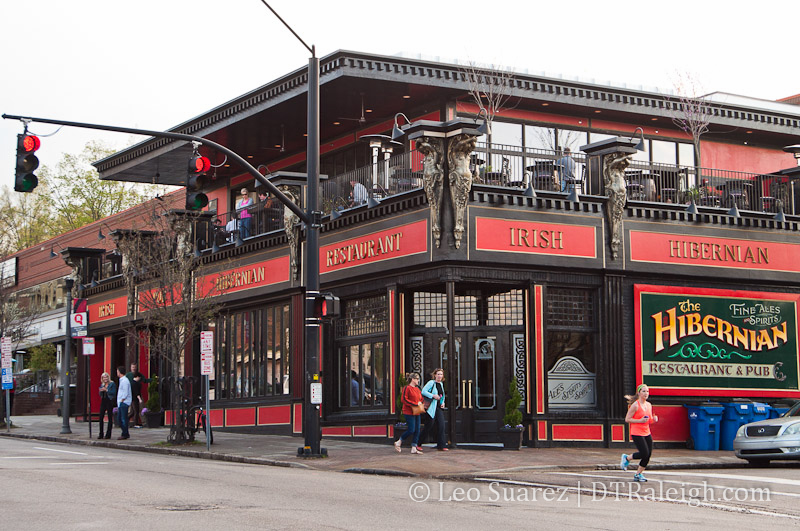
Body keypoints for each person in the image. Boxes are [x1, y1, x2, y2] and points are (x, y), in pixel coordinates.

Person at [620, 383, 659, 482]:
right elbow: (627, 419)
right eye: (644, 391)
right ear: (639, 393)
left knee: (648, 454)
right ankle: (627, 458)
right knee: (644, 453)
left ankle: (638, 474)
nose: (646, 393)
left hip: (647, 432)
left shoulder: (649, 405)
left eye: (647, 391)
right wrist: (639, 421)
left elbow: (649, 420)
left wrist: (654, 419)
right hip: (637, 432)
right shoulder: (635, 405)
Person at [419, 368, 448, 451]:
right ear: (435, 375)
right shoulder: (431, 383)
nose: (439, 376)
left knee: (441, 425)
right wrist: (433, 396)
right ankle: (418, 443)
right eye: (438, 374)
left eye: (441, 374)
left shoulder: (441, 384)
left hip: (438, 408)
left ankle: (441, 445)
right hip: (431, 408)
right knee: (428, 426)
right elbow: (423, 391)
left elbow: (442, 395)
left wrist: (443, 402)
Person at [395, 372, 425, 454]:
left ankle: (414, 447)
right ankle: (399, 441)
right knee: (411, 429)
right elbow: (404, 399)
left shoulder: (417, 389)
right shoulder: (407, 388)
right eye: (417, 379)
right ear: (413, 379)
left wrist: (420, 402)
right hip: (408, 411)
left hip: (417, 411)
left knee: (417, 430)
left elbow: (421, 398)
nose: (418, 380)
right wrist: (415, 403)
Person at [98, 372, 116, 439]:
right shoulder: (102, 385)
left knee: (109, 417)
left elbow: (113, 393)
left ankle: (108, 434)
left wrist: (107, 390)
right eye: (103, 377)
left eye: (106, 377)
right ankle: (101, 434)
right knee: (101, 417)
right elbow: (100, 393)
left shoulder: (112, 384)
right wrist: (101, 390)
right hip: (103, 400)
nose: (105, 379)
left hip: (109, 401)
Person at [125, 363, 144, 428]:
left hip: (132, 398)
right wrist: (139, 399)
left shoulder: (133, 383)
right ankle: (136, 424)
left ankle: (125, 420)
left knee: (132, 412)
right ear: (137, 377)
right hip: (134, 398)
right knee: (136, 411)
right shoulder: (134, 383)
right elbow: (136, 392)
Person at [116, 366, 131, 440]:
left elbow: (125, 391)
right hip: (121, 402)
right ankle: (125, 432)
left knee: (122, 419)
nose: (117, 373)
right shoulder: (122, 380)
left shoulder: (125, 381)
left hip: (124, 402)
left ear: (119, 372)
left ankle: (125, 433)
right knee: (120, 418)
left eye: (117, 371)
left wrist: (122, 399)